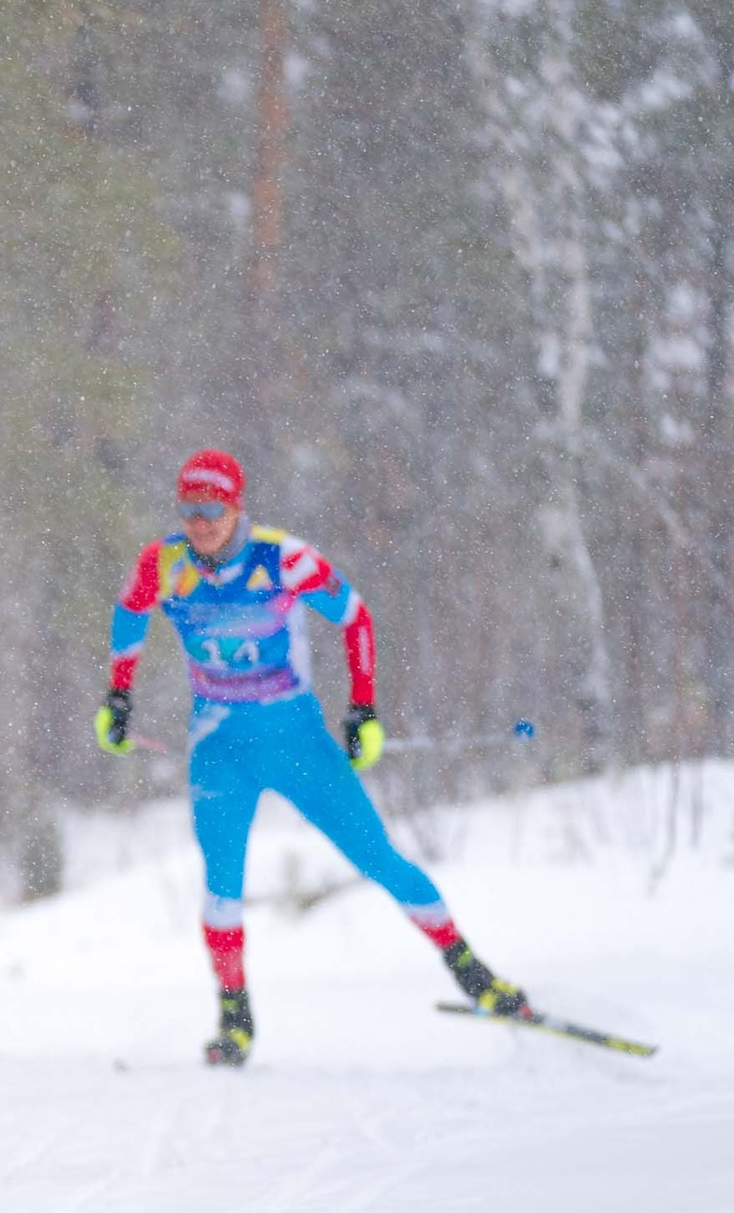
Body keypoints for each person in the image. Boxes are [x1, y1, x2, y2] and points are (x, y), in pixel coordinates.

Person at [99, 447, 534, 1065]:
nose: (199, 523)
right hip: (219, 745)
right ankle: (236, 1020)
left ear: (236, 506)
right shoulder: (164, 563)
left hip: (296, 739)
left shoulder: (283, 558)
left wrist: (363, 709)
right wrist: (118, 696)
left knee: (378, 857)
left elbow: (355, 617)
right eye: (188, 509)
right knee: (221, 886)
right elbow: (128, 615)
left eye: (212, 510)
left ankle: (474, 976)